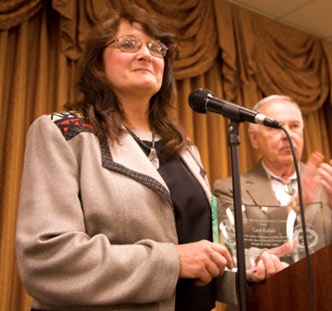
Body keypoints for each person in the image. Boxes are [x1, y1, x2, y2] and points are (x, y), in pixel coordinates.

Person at [15, 6, 291, 311]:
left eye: (156, 48)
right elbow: (46, 261)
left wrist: (242, 278)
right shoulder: (63, 132)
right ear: (97, 65)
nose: (146, 54)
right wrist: (170, 260)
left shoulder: (184, 149)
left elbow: (195, 261)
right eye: (128, 44)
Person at [214, 95, 332, 263]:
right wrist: (294, 207)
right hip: (268, 286)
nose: (287, 135)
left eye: (294, 126)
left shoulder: (328, 181)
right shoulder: (230, 188)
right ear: (254, 139)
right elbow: (237, 245)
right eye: (274, 127)